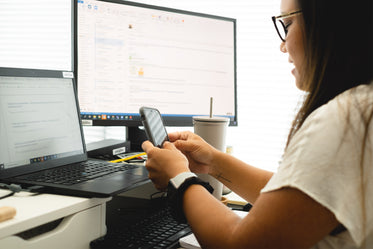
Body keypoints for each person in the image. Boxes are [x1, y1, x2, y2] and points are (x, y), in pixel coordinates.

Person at [141, 0, 373, 248]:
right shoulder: (363, 109)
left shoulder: (347, 120)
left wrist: (179, 178)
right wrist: (214, 161)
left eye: (288, 24)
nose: (283, 46)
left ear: (331, 25)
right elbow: (299, 201)